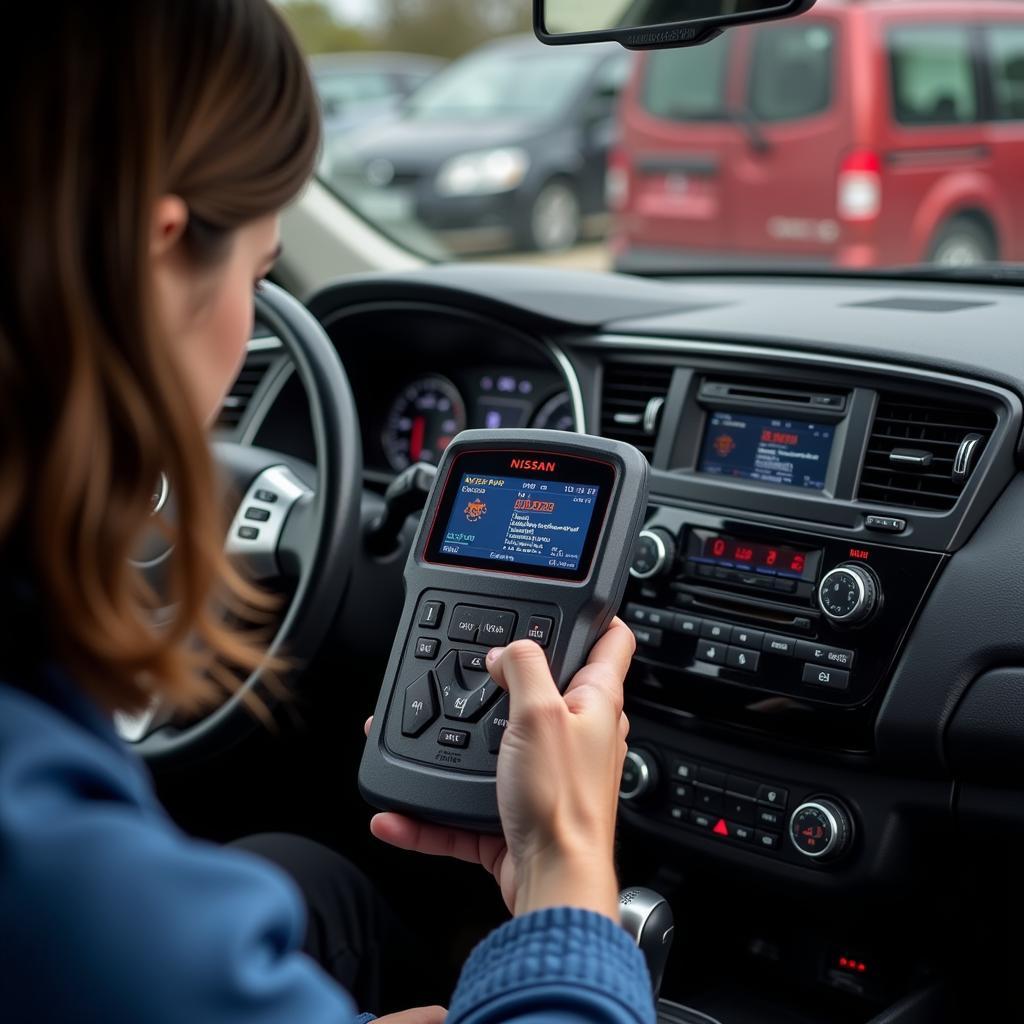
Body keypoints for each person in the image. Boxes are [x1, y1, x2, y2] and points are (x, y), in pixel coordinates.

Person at [0, 3, 655, 1023]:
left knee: (308, 881)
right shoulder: (48, 858)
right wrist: (567, 870)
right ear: (156, 255)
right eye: (262, 278)